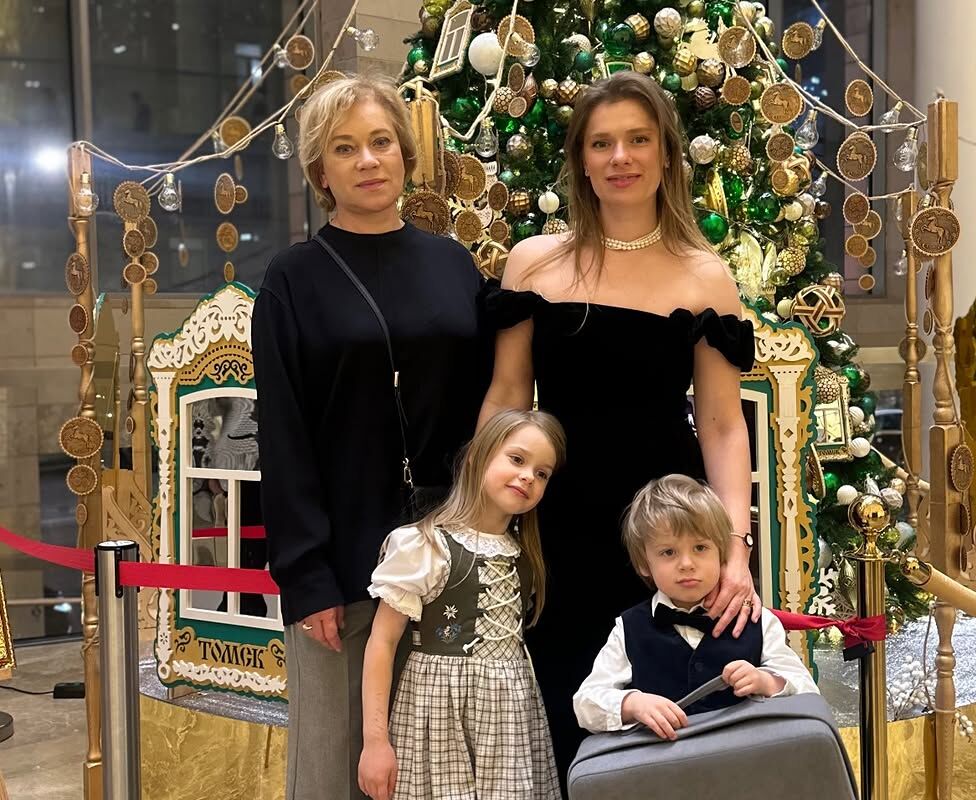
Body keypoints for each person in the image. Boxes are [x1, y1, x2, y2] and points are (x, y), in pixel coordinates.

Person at [479, 70, 758, 771]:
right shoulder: (533, 263)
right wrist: (479, 522)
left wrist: (735, 550)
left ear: (666, 152)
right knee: (565, 705)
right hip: (556, 526)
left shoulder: (705, 275)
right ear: (580, 160)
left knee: (670, 718)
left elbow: (723, 426)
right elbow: (507, 398)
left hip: (667, 530)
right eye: (601, 143)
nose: (620, 157)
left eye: (638, 139)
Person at [252, 74, 491, 800]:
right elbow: (284, 435)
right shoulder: (292, 280)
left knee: (445, 767)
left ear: (405, 153)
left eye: (381, 141)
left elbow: (489, 406)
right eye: (344, 148)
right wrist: (306, 575)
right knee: (335, 768)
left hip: (451, 556)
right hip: (344, 565)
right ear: (320, 171)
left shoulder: (452, 265)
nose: (367, 160)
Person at [358, 409, 566, 800]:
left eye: (542, 473)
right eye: (517, 459)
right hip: (437, 717)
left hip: (509, 724)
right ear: (477, 457)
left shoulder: (524, 557)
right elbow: (382, 643)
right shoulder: (424, 545)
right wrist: (375, 742)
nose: (528, 476)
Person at [574, 475, 818, 738]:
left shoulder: (759, 621)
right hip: (665, 762)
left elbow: (807, 690)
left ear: (722, 552)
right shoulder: (628, 628)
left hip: (748, 758)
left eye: (700, 547)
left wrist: (767, 681)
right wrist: (632, 704)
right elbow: (586, 704)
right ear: (644, 563)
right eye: (668, 552)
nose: (687, 564)